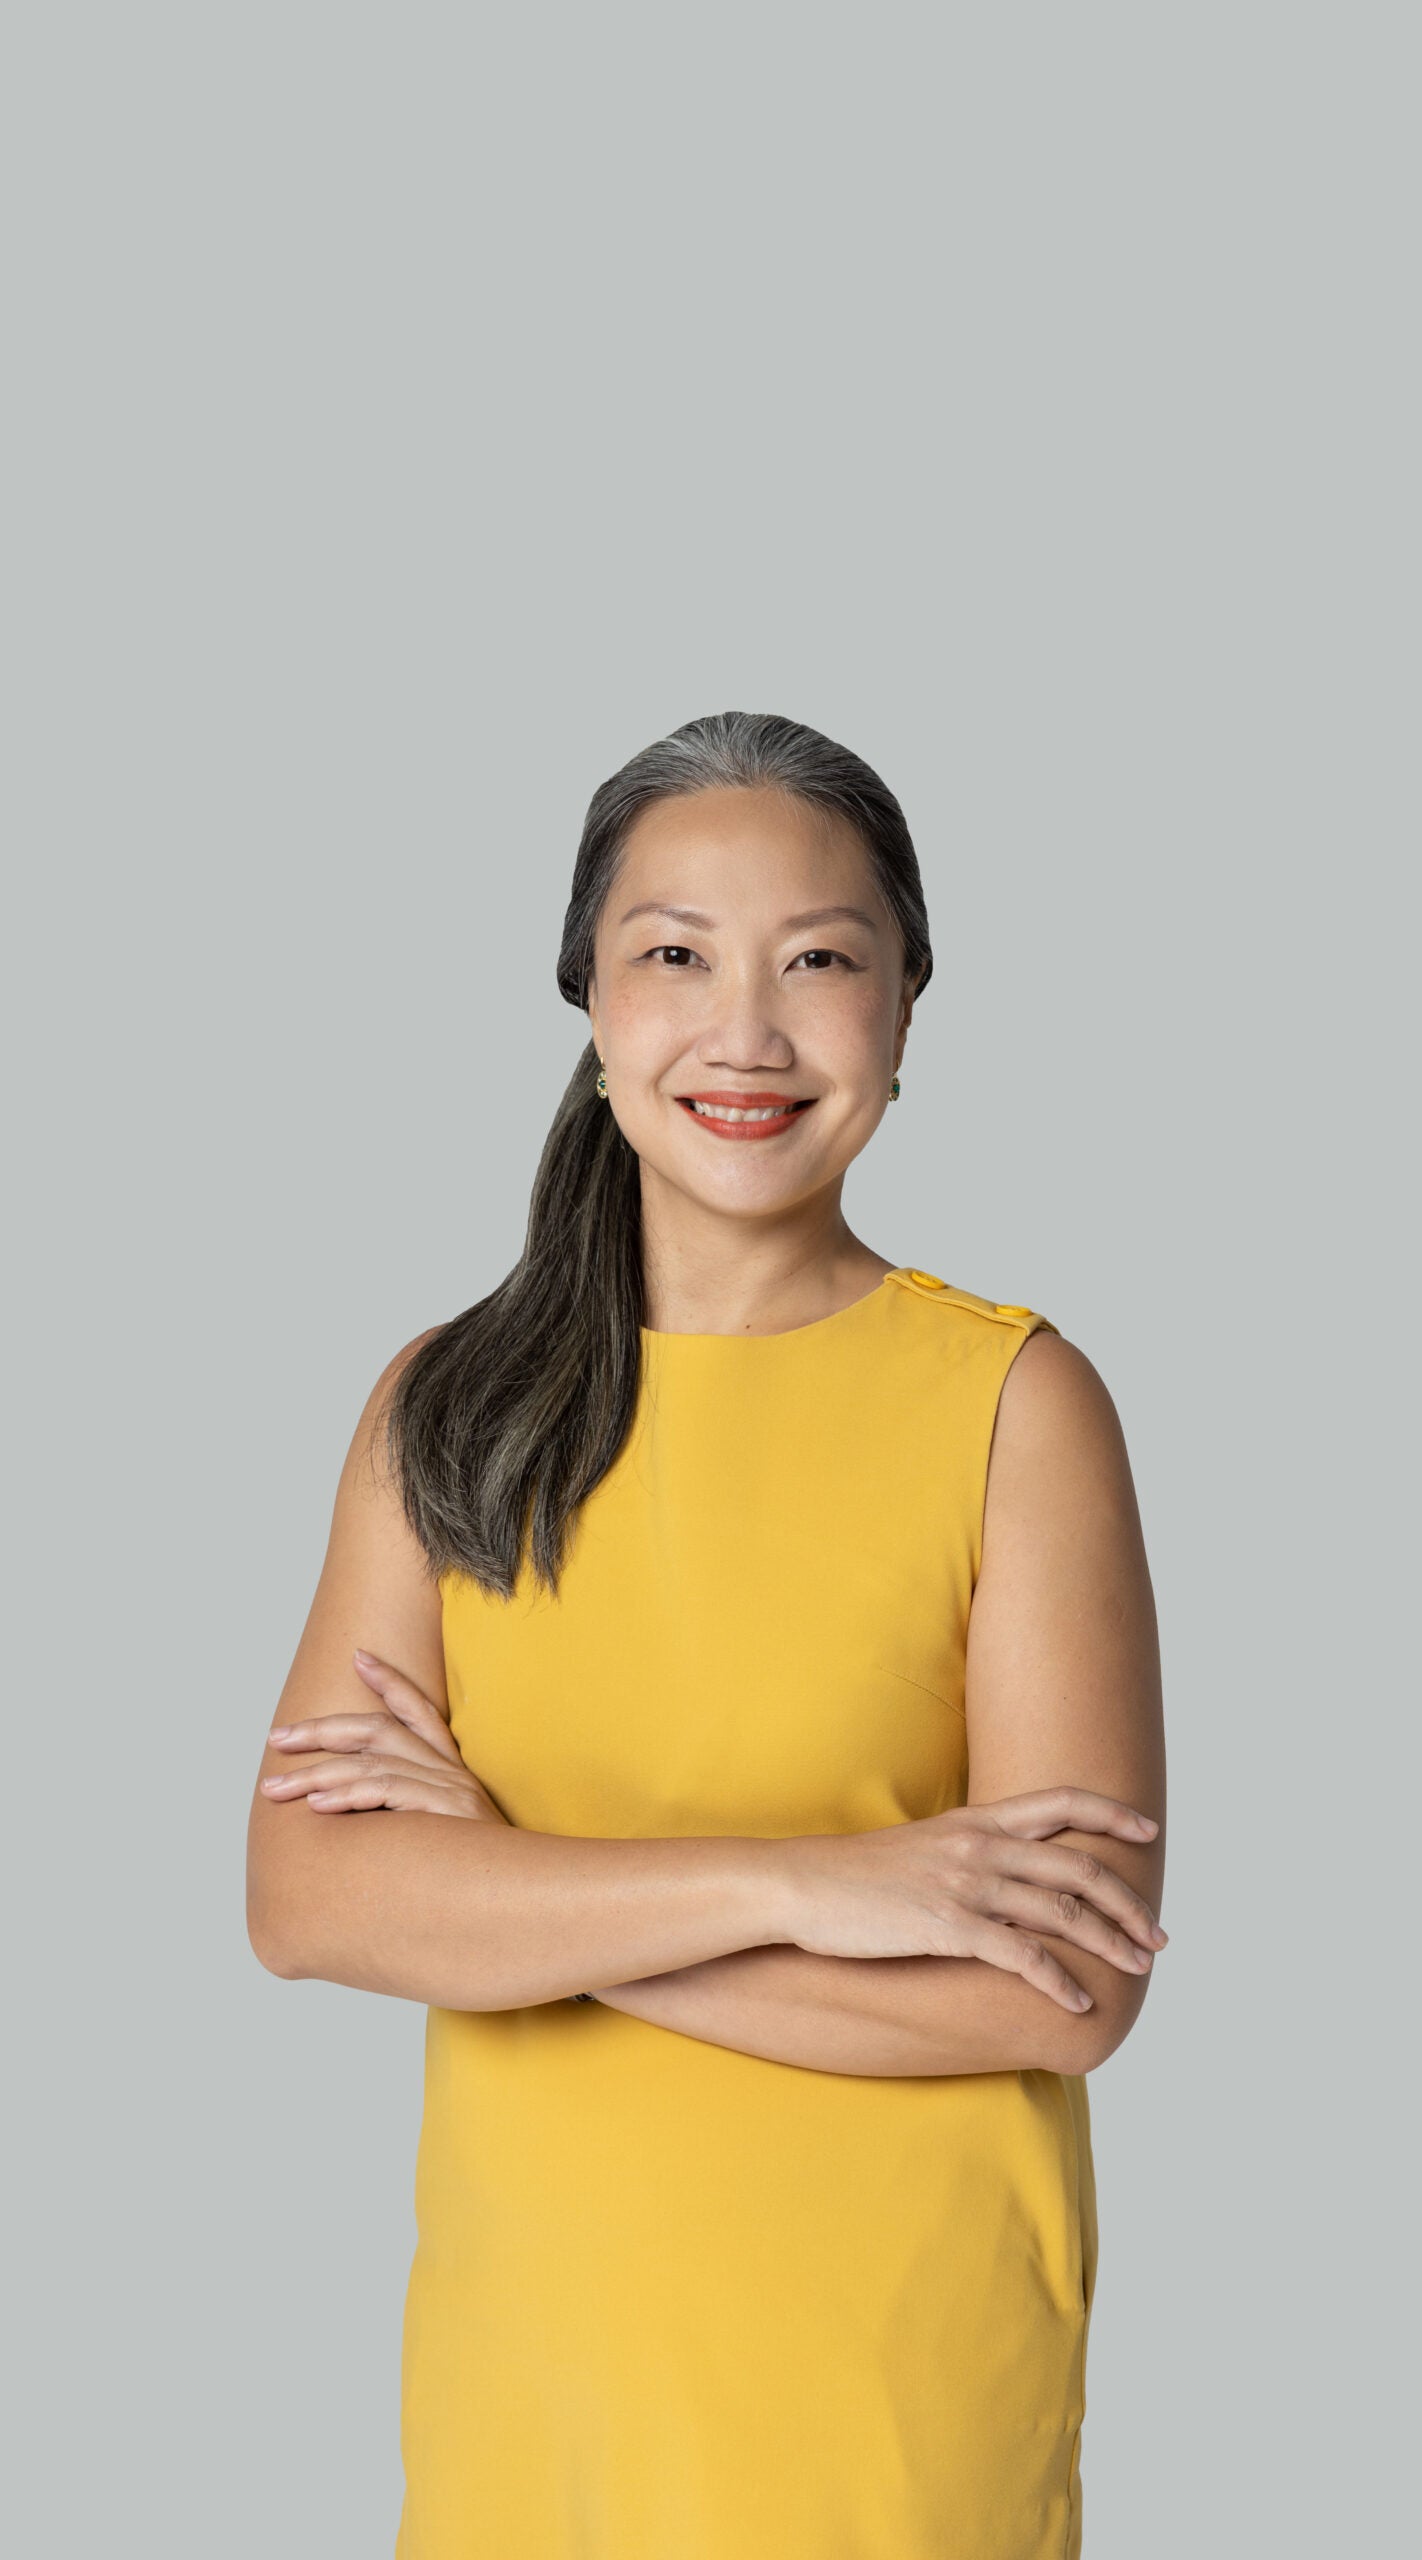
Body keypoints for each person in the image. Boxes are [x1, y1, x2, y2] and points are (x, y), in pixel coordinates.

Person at [246, 708, 1168, 2559]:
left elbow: (1059, 1993)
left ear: (904, 1008)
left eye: (818, 961)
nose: (745, 1031)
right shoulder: (449, 1407)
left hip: (896, 2396)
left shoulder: (1014, 1404)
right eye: (675, 956)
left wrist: (512, 1898)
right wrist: (809, 1884)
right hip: (537, 2396)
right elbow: (309, 1900)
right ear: (588, 1000)